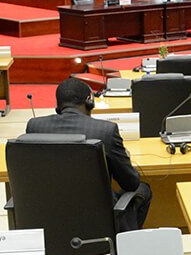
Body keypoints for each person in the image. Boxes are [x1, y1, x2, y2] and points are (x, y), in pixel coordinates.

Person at [25, 78, 151, 232]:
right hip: (99, 222)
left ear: (58, 106)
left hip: (51, 220)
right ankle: (123, 247)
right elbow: (130, 183)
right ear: (89, 101)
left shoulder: (35, 126)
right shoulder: (106, 131)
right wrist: (126, 159)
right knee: (143, 190)